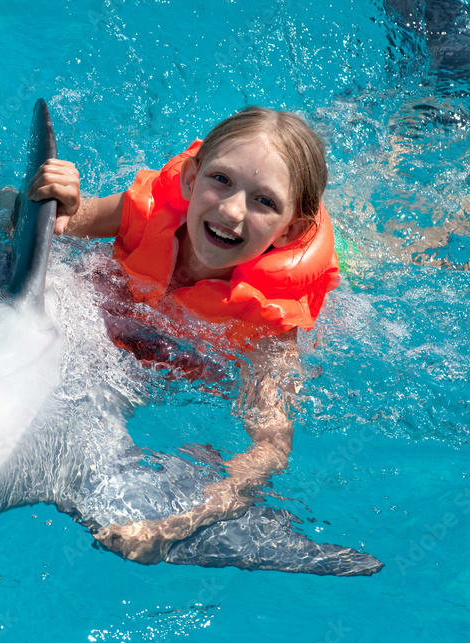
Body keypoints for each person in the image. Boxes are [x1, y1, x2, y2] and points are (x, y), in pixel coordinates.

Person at [26, 106, 341, 564]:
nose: (232, 210)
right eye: (222, 180)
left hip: (198, 357)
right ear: (191, 180)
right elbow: (64, 223)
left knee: (401, 246)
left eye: (264, 202)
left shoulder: (267, 331)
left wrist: (176, 525)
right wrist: (58, 198)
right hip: (145, 333)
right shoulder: (144, 212)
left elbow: (270, 449)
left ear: (289, 229)